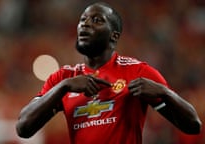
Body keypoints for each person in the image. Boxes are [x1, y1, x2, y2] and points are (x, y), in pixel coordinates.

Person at [16, 2, 202, 144]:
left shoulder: (137, 71)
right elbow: (23, 128)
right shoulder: (63, 78)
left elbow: (193, 125)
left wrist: (164, 93)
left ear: (114, 35)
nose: (85, 25)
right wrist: (62, 88)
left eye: (96, 20)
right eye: (82, 20)